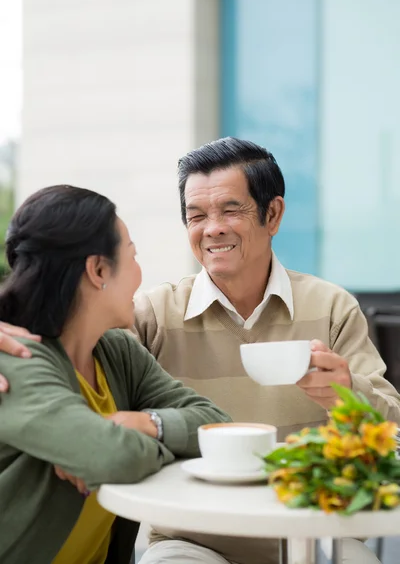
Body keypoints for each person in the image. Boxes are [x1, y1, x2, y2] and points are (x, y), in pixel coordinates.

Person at [1, 138, 399, 564]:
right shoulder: (150, 315)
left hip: (318, 526)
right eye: (197, 215)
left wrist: (349, 392)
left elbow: (391, 430)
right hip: (193, 539)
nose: (212, 228)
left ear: (273, 214)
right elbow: (70, 344)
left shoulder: (332, 307)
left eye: (230, 210)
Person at [0, 185, 230, 564]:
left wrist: (142, 424)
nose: (141, 273)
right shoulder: (16, 360)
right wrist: (110, 447)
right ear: (99, 269)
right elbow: (112, 457)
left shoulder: (117, 353)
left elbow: (216, 424)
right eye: (133, 256)